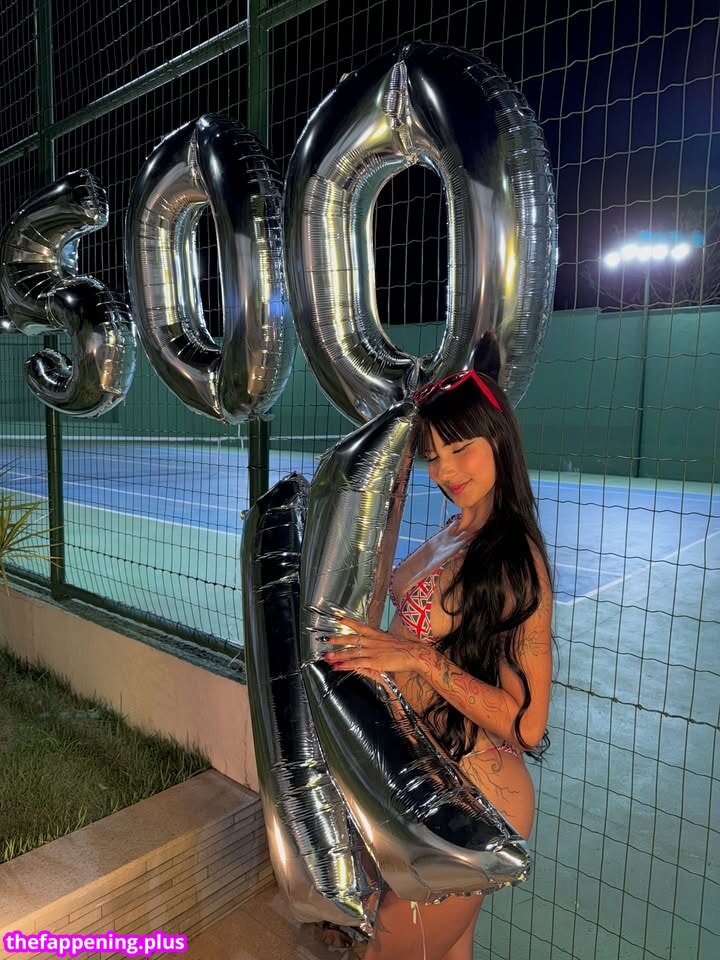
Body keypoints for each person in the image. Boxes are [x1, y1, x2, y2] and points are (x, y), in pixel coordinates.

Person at [324, 369, 554, 960]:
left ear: (498, 439)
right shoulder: (456, 529)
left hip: (476, 794)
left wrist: (417, 658)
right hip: (426, 771)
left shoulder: (513, 560)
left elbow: (528, 725)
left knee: (386, 950)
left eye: (460, 448)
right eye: (432, 455)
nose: (445, 471)